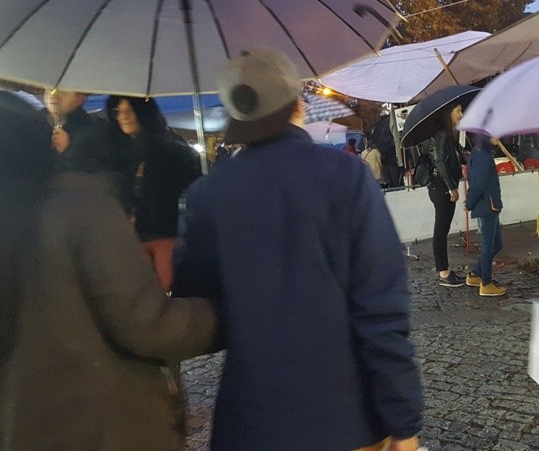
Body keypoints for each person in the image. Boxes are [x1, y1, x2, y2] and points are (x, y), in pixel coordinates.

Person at [0, 90, 218, 450]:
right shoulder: (83, 212)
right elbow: (150, 325)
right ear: (36, 141)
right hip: (101, 433)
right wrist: (223, 314)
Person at [172, 48, 422, 451]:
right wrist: (403, 420)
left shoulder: (207, 195)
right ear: (297, 105)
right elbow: (381, 308)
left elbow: (197, 304)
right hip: (345, 422)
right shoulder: (346, 177)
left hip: (248, 424)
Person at [106, 95, 202, 292]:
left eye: (130, 110)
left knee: (167, 291)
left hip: (165, 234)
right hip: (134, 236)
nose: (124, 116)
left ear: (143, 113)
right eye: (118, 112)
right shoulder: (119, 153)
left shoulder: (170, 150)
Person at [427, 102, 466, 287]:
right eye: (458, 111)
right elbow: (440, 162)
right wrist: (451, 187)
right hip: (441, 187)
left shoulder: (449, 135)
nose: (461, 114)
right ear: (448, 113)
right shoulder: (442, 135)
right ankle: (443, 272)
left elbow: (451, 159)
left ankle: (445, 269)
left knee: (443, 229)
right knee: (441, 231)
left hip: (444, 186)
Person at [465, 134, 506, 297]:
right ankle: (486, 283)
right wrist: (469, 203)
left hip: (488, 203)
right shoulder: (482, 155)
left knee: (496, 244)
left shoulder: (480, 152)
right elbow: (479, 184)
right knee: (489, 245)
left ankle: (476, 274)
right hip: (487, 204)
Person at [43, 88, 120, 175]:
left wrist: (67, 150)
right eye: (49, 89)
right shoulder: (36, 122)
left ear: (80, 97)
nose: (53, 95)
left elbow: (101, 172)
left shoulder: (97, 131)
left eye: (62, 91)